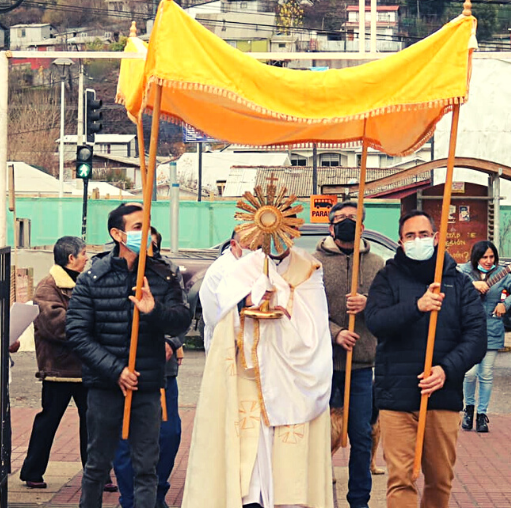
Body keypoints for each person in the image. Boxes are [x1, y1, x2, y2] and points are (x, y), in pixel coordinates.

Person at [181, 229, 334, 508]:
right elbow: (220, 317)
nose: (275, 239)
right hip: (249, 378)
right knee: (250, 470)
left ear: (292, 233)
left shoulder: (309, 268)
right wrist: (245, 303)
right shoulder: (242, 269)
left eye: (282, 232)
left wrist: (283, 306)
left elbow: (316, 325)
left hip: (293, 382)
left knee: (289, 469)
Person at [67, 204, 191, 508]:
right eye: (137, 227)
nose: (145, 232)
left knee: (146, 467)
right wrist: (116, 371)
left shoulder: (163, 274)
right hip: (106, 386)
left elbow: (181, 321)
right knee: (97, 465)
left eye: (147, 225)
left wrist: (154, 311)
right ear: (117, 234)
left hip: (147, 385)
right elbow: (77, 333)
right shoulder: (93, 277)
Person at [365, 210, 486, 508]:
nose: (417, 240)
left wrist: (446, 370)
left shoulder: (458, 283)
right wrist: (416, 306)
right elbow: (376, 321)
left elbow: (476, 339)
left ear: (435, 237)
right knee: (401, 479)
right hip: (397, 396)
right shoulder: (386, 278)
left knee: (440, 479)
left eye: (423, 234)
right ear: (400, 242)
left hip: (442, 396)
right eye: (410, 236)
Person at [313, 200, 384, 508]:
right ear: (331, 227)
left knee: (361, 436)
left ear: (363, 226)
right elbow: (306, 312)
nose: (346, 223)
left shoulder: (377, 263)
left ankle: (359, 501)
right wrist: (335, 333)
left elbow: (388, 307)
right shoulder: (314, 263)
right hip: (322, 365)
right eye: (340, 218)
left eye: (353, 218)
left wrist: (369, 303)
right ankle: (316, 497)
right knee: (316, 437)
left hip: (361, 365)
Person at [114, 228, 188, 508]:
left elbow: (180, 314)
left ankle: (157, 492)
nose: (145, 248)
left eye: (151, 245)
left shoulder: (168, 273)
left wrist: (171, 341)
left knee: (168, 433)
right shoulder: (108, 272)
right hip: (125, 372)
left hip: (161, 371)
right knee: (125, 438)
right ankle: (130, 498)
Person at [19, 237, 89, 489]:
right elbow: (58, 326)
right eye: (84, 253)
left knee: (92, 422)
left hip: (86, 366)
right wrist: (91, 325)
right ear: (71, 258)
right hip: (58, 368)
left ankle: (97, 474)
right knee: (48, 420)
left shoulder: (84, 282)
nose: (87, 258)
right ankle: (32, 472)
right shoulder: (48, 287)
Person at [458, 241, 511, 433]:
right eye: (484, 257)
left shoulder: (501, 273)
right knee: (469, 373)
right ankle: (468, 409)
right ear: (475, 257)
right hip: (468, 329)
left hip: (492, 328)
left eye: (491, 257)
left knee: (486, 374)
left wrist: (506, 304)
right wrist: (473, 285)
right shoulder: (463, 271)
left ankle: (482, 414)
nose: (488, 261)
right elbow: (453, 287)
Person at [198, 228, 250, 352]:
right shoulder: (224, 269)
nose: (252, 251)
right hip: (225, 337)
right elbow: (224, 310)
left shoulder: (247, 264)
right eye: (248, 246)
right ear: (233, 244)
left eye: (257, 246)